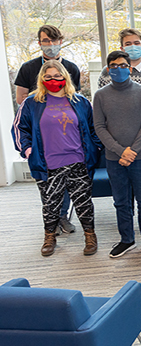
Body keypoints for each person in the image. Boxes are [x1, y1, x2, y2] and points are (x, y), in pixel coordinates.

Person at [12, 60, 101, 256]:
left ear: (65, 77)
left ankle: (90, 236)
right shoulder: (32, 103)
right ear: (42, 79)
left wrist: (97, 148)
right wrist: (27, 150)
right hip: (48, 164)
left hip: (78, 162)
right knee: (50, 205)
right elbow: (19, 129)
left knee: (83, 202)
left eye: (58, 76)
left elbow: (94, 129)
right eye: (48, 77)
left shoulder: (80, 102)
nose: (54, 80)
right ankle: (49, 237)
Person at [14, 25, 82, 233]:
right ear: (39, 43)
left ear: (61, 41)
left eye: (54, 41)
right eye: (46, 41)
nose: (50, 45)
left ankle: (63, 216)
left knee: (68, 179)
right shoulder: (28, 68)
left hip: (65, 135)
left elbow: (74, 101)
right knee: (47, 181)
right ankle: (51, 222)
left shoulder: (72, 68)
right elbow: (20, 99)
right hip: (41, 136)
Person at [93, 50, 141, 258]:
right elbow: (99, 127)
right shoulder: (100, 95)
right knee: (121, 201)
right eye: (113, 66)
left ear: (130, 68)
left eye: (123, 65)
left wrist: (132, 151)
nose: (118, 69)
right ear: (108, 69)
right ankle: (127, 239)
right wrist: (121, 151)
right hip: (114, 158)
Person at [98, 28, 141, 229]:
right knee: (124, 184)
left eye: (137, 43)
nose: (133, 47)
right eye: (128, 44)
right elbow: (102, 107)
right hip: (118, 140)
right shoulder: (107, 73)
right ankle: (129, 218)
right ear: (121, 47)